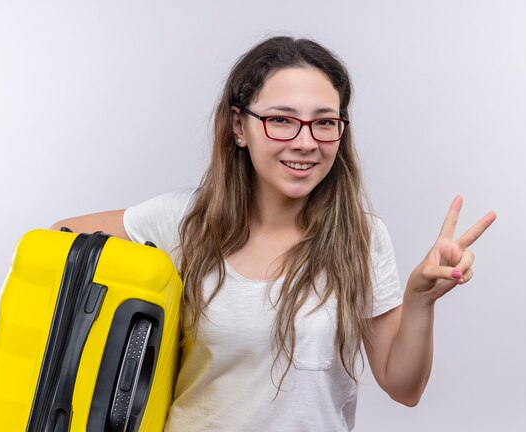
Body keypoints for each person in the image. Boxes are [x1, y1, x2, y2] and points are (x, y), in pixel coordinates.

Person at [51, 36, 496, 431]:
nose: (306, 142)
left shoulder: (361, 237)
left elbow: (404, 388)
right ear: (239, 127)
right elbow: (61, 237)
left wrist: (420, 300)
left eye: (325, 122)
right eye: (281, 120)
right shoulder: (185, 221)